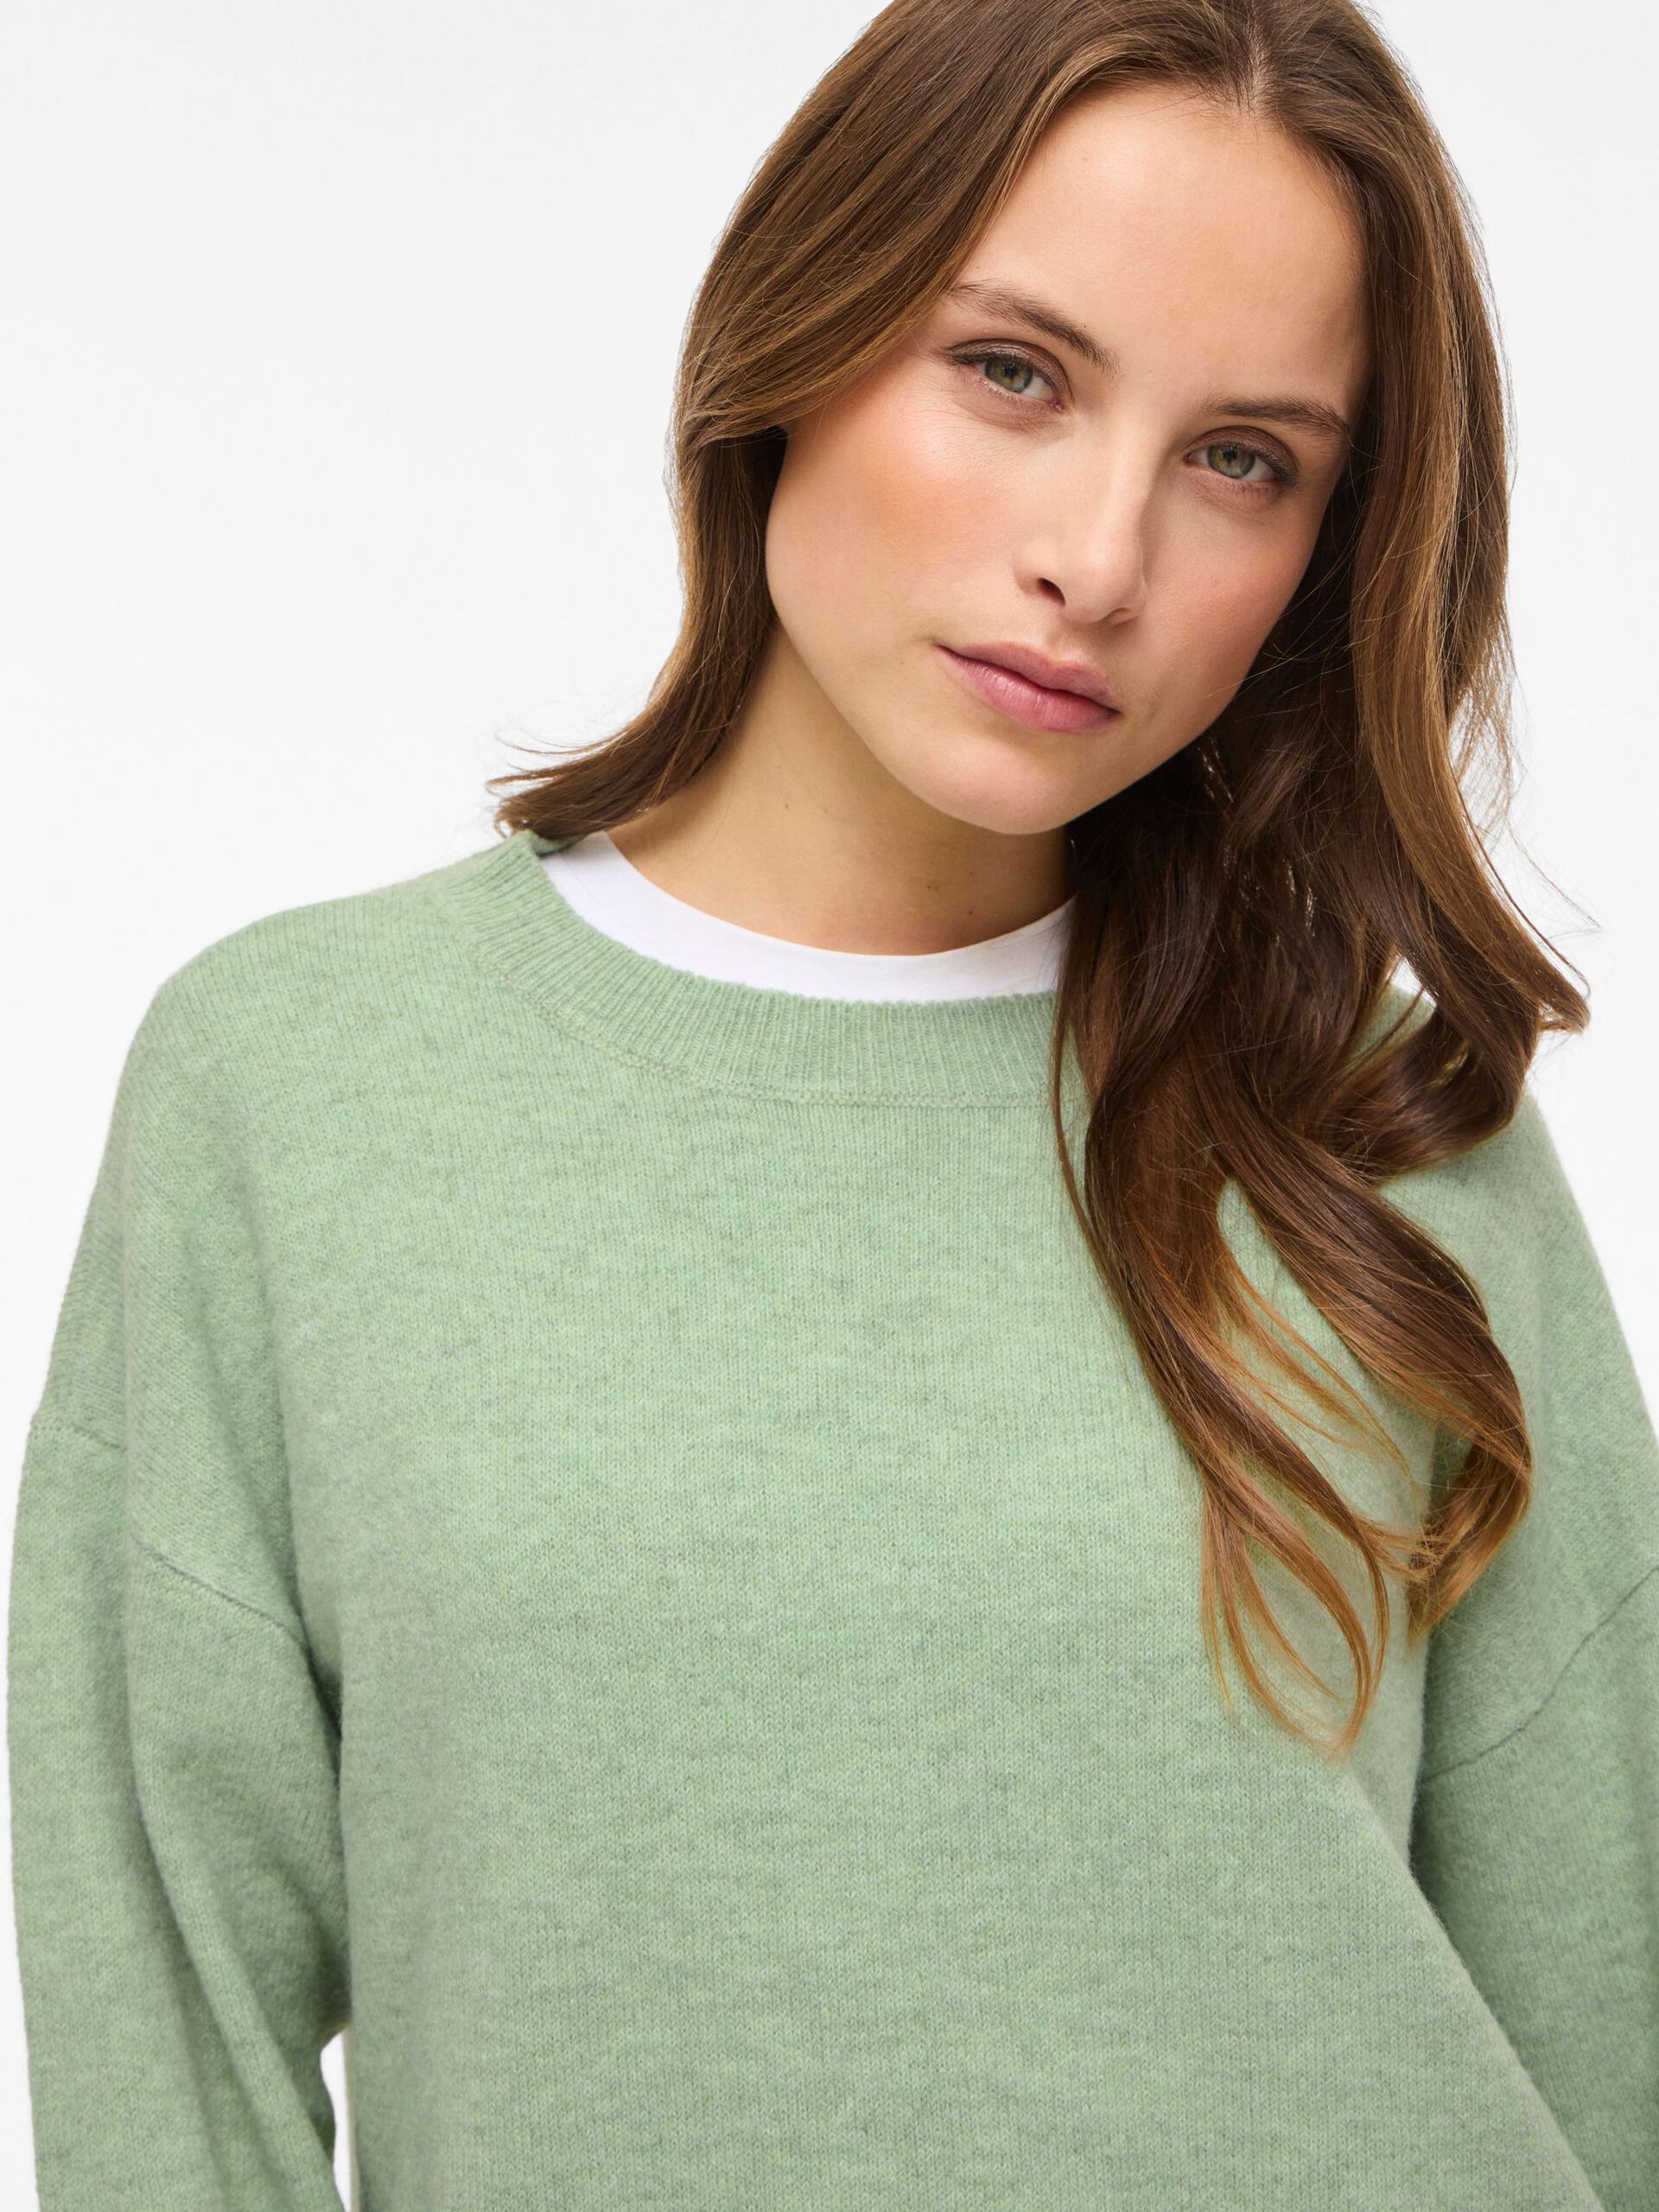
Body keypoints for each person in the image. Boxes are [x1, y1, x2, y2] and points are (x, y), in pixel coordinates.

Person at [10, 0, 1656, 2205]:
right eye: (1016, 371)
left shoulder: (1380, 1130)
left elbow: (1614, 2014)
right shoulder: (300, 1092)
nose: (1101, 557)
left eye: (1243, 458)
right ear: (801, 326)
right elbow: (168, 2052)